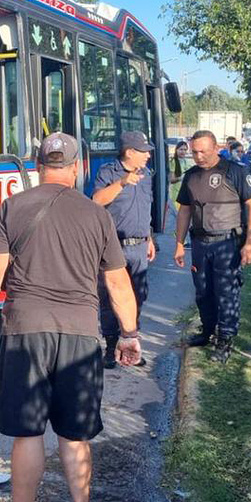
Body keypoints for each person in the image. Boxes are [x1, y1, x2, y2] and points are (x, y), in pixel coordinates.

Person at [0, 132, 142, 502]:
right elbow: (117, 283)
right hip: (80, 335)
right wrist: (128, 334)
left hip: (25, 333)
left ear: (39, 167)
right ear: (77, 168)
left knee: (27, 434)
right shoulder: (97, 215)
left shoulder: (13, 207)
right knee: (75, 437)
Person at [174, 130, 251, 363]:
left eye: (203, 151)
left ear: (216, 148)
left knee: (226, 292)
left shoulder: (235, 171)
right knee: (203, 291)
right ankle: (207, 331)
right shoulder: (191, 176)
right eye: (194, 152)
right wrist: (179, 244)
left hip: (227, 242)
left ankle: (225, 339)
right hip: (200, 243)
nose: (199, 156)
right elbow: (184, 210)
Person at [92, 131, 156, 369]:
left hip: (139, 246)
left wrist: (149, 237)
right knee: (109, 299)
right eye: (144, 151)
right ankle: (110, 347)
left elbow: (145, 208)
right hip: (113, 247)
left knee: (137, 297)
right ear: (129, 152)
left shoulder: (146, 175)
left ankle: (130, 343)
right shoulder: (108, 172)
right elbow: (96, 200)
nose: (148, 156)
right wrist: (121, 183)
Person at [170, 141, 194, 209]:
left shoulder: (188, 162)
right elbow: (171, 179)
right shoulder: (173, 162)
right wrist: (181, 178)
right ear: (176, 150)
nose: (183, 151)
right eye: (181, 149)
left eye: (185, 150)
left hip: (187, 194)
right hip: (176, 195)